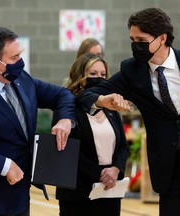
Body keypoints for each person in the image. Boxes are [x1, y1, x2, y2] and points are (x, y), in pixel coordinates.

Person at [77, 8, 180, 216]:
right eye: (132, 40)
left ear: (162, 38)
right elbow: (86, 96)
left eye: (141, 40)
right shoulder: (131, 71)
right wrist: (104, 100)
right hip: (172, 167)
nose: (135, 45)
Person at [0, 26, 75, 216]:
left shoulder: (22, 79)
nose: (21, 62)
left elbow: (63, 94)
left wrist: (65, 120)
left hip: (19, 198)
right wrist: (4, 165)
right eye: (14, 58)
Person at [55, 53, 129, 216]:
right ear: (80, 77)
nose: (99, 78)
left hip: (109, 190)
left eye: (103, 74)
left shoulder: (111, 108)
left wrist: (116, 169)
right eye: (93, 74)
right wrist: (101, 174)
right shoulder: (68, 106)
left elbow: (123, 146)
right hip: (77, 191)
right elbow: (69, 149)